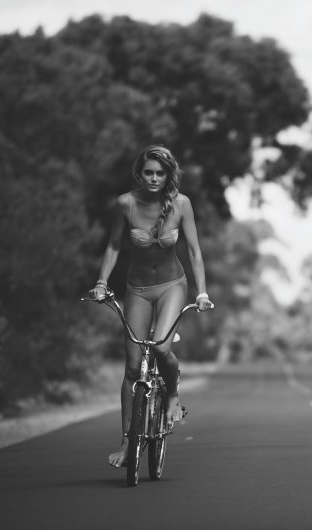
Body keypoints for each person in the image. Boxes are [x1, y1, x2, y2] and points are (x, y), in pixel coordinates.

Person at [88, 144, 213, 468]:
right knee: (131, 368)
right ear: (139, 173)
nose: (154, 178)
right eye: (148, 172)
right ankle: (127, 444)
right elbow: (114, 245)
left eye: (160, 173)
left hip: (173, 285)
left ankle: (172, 396)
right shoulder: (126, 204)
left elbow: (195, 252)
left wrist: (201, 292)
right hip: (137, 289)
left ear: (168, 174)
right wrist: (102, 282)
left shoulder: (181, 204)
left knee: (159, 348)